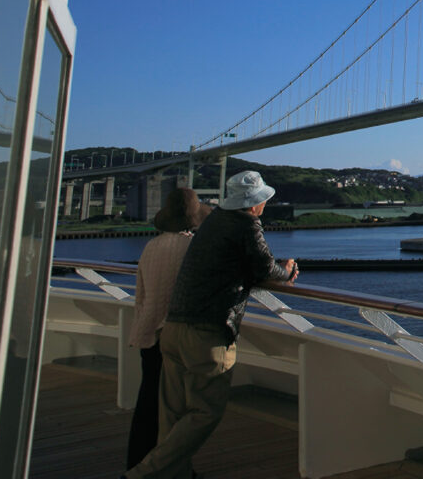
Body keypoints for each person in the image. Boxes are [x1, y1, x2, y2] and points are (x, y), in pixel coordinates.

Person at [124, 171, 298, 479]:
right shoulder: (246, 224)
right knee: (205, 412)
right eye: (263, 201)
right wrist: (285, 270)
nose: (264, 206)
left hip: (172, 329)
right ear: (255, 204)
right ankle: (142, 475)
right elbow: (263, 265)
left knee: (172, 415)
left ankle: (171, 475)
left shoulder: (214, 222)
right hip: (206, 334)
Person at [125, 188, 208, 470]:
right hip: (175, 335)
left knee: (148, 403)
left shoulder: (151, 247)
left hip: (148, 331)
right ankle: (166, 469)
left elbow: (142, 294)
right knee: (176, 410)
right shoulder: (192, 247)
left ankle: (136, 463)